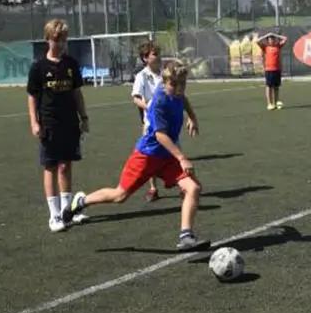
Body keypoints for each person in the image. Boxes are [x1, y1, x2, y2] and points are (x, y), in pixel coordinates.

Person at [61, 61, 209, 251]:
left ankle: (186, 236)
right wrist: (181, 158)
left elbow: (183, 99)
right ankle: (81, 202)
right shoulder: (159, 101)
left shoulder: (177, 93)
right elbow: (160, 135)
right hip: (146, 156)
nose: (179, 89)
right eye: (175, 84)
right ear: (164, 82)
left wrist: (192, 117)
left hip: (166, 157)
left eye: (183, 84)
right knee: (119, 195)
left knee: (193, 188)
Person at [26, 19, 89, 232]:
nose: (60, 44)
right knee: (51, 166)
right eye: (56, 40)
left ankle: (66, 213)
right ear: (47, 39)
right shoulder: (38, 67)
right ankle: (54, 216)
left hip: (69, 123)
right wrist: (34, 122)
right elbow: (32, 97)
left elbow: (77, 93)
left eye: (63, 40)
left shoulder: (71, 64)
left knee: (66, 165)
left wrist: (84, 117)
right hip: (49, 123)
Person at [132, 41, 163, 203]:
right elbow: (136, 99)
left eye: (159, 54)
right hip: (151, 123)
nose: (158, 57)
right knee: (150, 156)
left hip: (167, 122)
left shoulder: (166, 74)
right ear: (145, 58)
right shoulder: (141, 76)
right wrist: (148, 109)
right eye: (155, 54)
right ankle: (153, 188)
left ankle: (183, 185)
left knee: (175, 153)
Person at [257, 32, 288, 110]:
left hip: (277, 69)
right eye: (270, 39)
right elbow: (257, 41)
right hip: (269, 70)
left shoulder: (278, 46)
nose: (271, 41)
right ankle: (269, 104)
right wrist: (266, 35)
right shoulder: (265, 47)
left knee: (276, 87)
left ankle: (276, 103)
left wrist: (274, 35)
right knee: (269, 87)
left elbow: (285, 39)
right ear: (268, 41)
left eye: (272, 39)